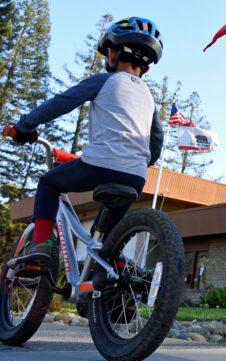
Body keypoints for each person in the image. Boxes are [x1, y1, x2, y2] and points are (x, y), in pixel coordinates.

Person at [7, 16, 164, 270]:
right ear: (146, 64)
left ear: (114, 52)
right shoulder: (149, 98)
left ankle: (41, 248)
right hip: (135, 176)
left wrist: (24, 126)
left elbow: (62, 102)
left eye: (109, 50)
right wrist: (135, 160)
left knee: (48, 183)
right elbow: (156, 144)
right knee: (109, 241)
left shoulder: (104, 80)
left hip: (99, 165)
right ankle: (116, 276)